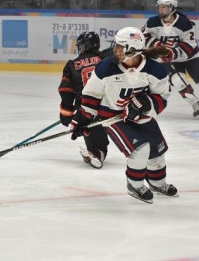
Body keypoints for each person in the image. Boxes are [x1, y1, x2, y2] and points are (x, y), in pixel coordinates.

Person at [69, 27, 178, 204]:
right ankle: (135, 185)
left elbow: (162, 97)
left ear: (132, 50)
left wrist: (146, 104)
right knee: (140, 150)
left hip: (142, 117)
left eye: (119, 46)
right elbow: (91, 94)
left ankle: (158, 183)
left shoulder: (155, 70)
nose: (114, 49)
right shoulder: (106, 67)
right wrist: (83, 117)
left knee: (157, 151)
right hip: (113, 117)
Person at [142, 0, 199, 119]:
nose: (161, 9)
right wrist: (158, 46)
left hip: (192, 58)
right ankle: (195, 104)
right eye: (159, 7)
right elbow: (144, 36)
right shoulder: (152, 22)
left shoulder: (184, 23)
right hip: (171, 61)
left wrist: (172, 53)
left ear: (172, 8)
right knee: (178, 82)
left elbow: (189, 45)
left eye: (164, 7)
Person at [58, 31, 109, 169]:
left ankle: (96, 151)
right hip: (111, 107)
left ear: (84, 45)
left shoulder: (72, 65)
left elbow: (66, 91)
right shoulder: (106, 58)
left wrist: (67, 115)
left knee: (98, 145)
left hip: (87, 111)